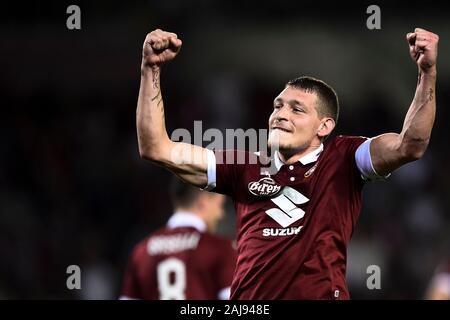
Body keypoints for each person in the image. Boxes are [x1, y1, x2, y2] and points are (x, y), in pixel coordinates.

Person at [136, 28, 438, 299]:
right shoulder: (244, 167)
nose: (281, 114)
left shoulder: (345, 158)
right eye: (278, 106)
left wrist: (427, 73)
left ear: (324, 127)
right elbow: (156, 148)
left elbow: (409, 145)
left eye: (297, 109)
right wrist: (150, 69)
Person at [120, 178, 236, 300]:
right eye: (220, 205)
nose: (221, 214)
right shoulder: (220, 249)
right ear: (204, 201)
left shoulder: (141, 252)